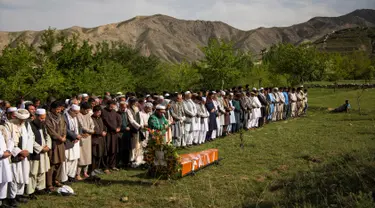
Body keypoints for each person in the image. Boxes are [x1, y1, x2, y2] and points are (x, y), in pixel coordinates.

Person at [4, 109, 35, 206]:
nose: (22, 121)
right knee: (14, 176)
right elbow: (7, 141)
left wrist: (27, 151)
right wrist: (19, 152)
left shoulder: (26, 125)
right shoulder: (9, 125)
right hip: (15, 155)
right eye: (20, 119)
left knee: (24, 175)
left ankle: (19, 194)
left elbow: (31, 137)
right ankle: (11, 197)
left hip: (25, 154)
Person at [27, 109, 51, 198]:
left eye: (44, 118)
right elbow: (30, 140)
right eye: (41, 118)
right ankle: (31, 191)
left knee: (42, 170)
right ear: (36, 117)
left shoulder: (43, 124)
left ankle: (40, 188)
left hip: (44, 151)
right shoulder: (30, 125)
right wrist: (40, 149)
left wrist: (48, 146)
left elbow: (47, 136)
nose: (43, 120)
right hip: (36, 153)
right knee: (33, 172)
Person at [45, 101, 66, 192]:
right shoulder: (48, 117)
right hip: (53, 143)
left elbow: (64, 127)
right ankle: (49, 183)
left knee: (60, 162)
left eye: (59, 109)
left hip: (61, 143)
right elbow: (50, 130)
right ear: (52, 109)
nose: (58, 111)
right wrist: (59, 138)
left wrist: (64, 136)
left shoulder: (61, 116)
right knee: (52, 163)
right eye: (57, 109)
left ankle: (56, 180)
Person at [62, 104, 82, 183]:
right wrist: (75, 136)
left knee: (75, 159)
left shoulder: (76, 117)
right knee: (67, 160)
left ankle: (71, 175)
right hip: (69, 141)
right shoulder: (65, 117)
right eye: (76, 113)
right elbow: (66, 129)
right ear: (71, 111)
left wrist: (79, 135)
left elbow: (80, 126)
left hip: (76, 141)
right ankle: (65, 177)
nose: (77, 114)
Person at [77, 103, 95, 180]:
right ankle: (77, 173)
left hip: (88, 137)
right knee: (81, 156)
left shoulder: (88, 115)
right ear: (82, 109)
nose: (87, 112)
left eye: (88, 110)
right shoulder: (78, 115)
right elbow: (81, 126)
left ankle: (85, 172)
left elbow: (92, 124)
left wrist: (91, 131)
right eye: (86, 110)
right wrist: (90, 131)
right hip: (82, 137)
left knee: (87, 156)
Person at [102, 101, 121, 172]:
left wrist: (119, 127)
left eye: (113, 105)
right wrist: (114, 128)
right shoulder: (104, 111)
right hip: (108, 133)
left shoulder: (114, 111)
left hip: (115, 133)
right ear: (107, 104)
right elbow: (106, 122)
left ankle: (112, 165)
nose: (112, 106)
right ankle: (106, 167)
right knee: (108, 149)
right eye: (111, 105)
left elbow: (118, 119)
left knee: (114, 149)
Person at [91, 106, 107, 175]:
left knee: (100, 154)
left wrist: (104, 131)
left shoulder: (100, 118)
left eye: (100, 112)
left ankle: (97, 168)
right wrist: (100, 133)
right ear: (94, 111)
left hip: (101, 139)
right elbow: (93, 129)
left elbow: (104, 126)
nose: (99, 113)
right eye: (98, 112)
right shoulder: (91, 118)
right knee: (94, 155)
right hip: (95, 139)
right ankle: (92, 170)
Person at [126, 98, 142, 167]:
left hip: (138, 129)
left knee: (138, 145)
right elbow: (131, 120)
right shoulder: (128, 110)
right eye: (136, 102)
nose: (137, 103)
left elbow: (139, 118)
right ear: (133, 103)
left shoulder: (137, 109)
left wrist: (141, 125)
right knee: (133, 145)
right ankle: (132, 160)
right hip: (133, 129)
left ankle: (137, 159)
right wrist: (138, 126)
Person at [0, 126, 12, 207]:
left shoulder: (2, 129)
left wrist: (8, 150)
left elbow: (10, 140)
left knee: (4, 179)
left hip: (4, 159)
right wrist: (2, 154)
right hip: (2, 156)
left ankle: (2, 200)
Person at [117, 101, 131, 168]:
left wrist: (129, 127)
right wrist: (124, 128)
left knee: (127, 148)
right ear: (120, 106)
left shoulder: (126, 113)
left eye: (125, 107)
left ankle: (126, 162)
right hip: (120, 133)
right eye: (122, 107)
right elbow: (118, 124)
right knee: (121, 148)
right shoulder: (117, 113)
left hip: (127, 133)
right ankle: (120, 162)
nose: (124, 108)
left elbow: (130, 121)